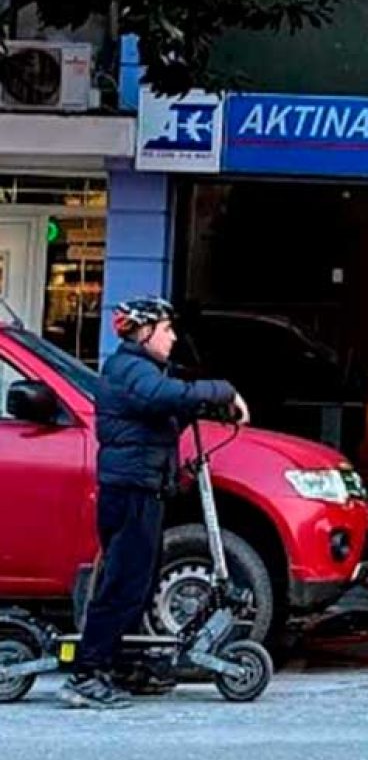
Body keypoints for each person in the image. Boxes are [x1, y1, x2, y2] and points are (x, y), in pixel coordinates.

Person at [60, 296, 248, 709]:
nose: (173, 337)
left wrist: (206, 404)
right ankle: (86, 674)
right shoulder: (130, 370)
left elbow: (164, 412)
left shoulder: (142, 371)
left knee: (140, 583)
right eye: (166, 329)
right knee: (123, 584)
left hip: (144, 487)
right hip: (128, 490)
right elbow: (161, 396)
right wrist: (224, 390)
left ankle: (120, 664)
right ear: (143, 332)